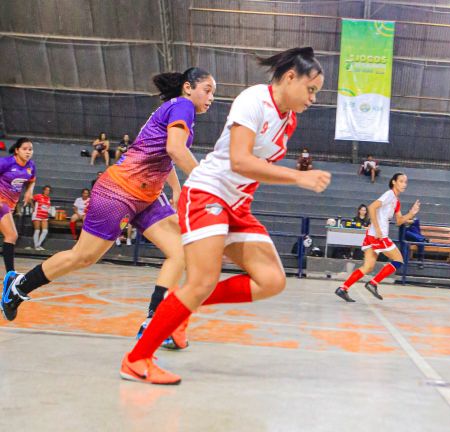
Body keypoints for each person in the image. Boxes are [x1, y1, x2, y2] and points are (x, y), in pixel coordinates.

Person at [120, 47, 330, 385]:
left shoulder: (288, 119)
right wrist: (297, 177)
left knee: (271, 280)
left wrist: (294, 170)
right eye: (311, 89)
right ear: (290, 77)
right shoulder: (254, 100)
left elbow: (257, 167)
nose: (313, 98)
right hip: (208, 193)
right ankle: (137, 359)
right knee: (201, 281)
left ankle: (183, 310)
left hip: (237, 205)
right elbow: (239, 161)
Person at [1, 67, 215, 340]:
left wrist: (175, 186)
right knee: (84, 256)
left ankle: (154, 323)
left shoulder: (178, 110)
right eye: (207, 90)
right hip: (119, 192)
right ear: (188, 87)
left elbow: (166, 154)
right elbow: (175, 149)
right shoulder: (183, 105)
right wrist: (206, 181)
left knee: (179, 252)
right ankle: (19, 286)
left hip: (147, 196)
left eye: (213, 93)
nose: (210, 98)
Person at [335, 173, 420, 303]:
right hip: (378, 236)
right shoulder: (389, 195)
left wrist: (411, 213)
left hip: (371, 236)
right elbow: (372, 207)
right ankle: (373, 283)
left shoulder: (396, 201)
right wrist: (378, 229)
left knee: (368, 267)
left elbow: (398, 221)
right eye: (401, 181)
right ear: (394, 182)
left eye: (405, 182)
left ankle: (343, 288)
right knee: (399, 260)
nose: (404, 184)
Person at [0, 138, 36, 274]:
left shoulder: (30, 166)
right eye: (25, 149)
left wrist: (29, 191)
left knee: (10, 235)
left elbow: (32, 180)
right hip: (1, 203)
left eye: (30, 149)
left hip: (11, 205)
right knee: (11, 235)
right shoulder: (6, 162)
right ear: (17, 150)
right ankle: (11, 274)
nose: (28, 152)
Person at [30, 185, 52, 250]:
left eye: (48, 190)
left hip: (44, 216)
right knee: (37, 230)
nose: (47, 191)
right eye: (46, 190)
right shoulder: (38, 196)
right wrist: (33, 207)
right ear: (43, 190)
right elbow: (31, 199)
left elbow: (47, 207)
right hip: (37, 215)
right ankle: (36, 246)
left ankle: (38, 245)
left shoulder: (48, 199)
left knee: (45, 231)